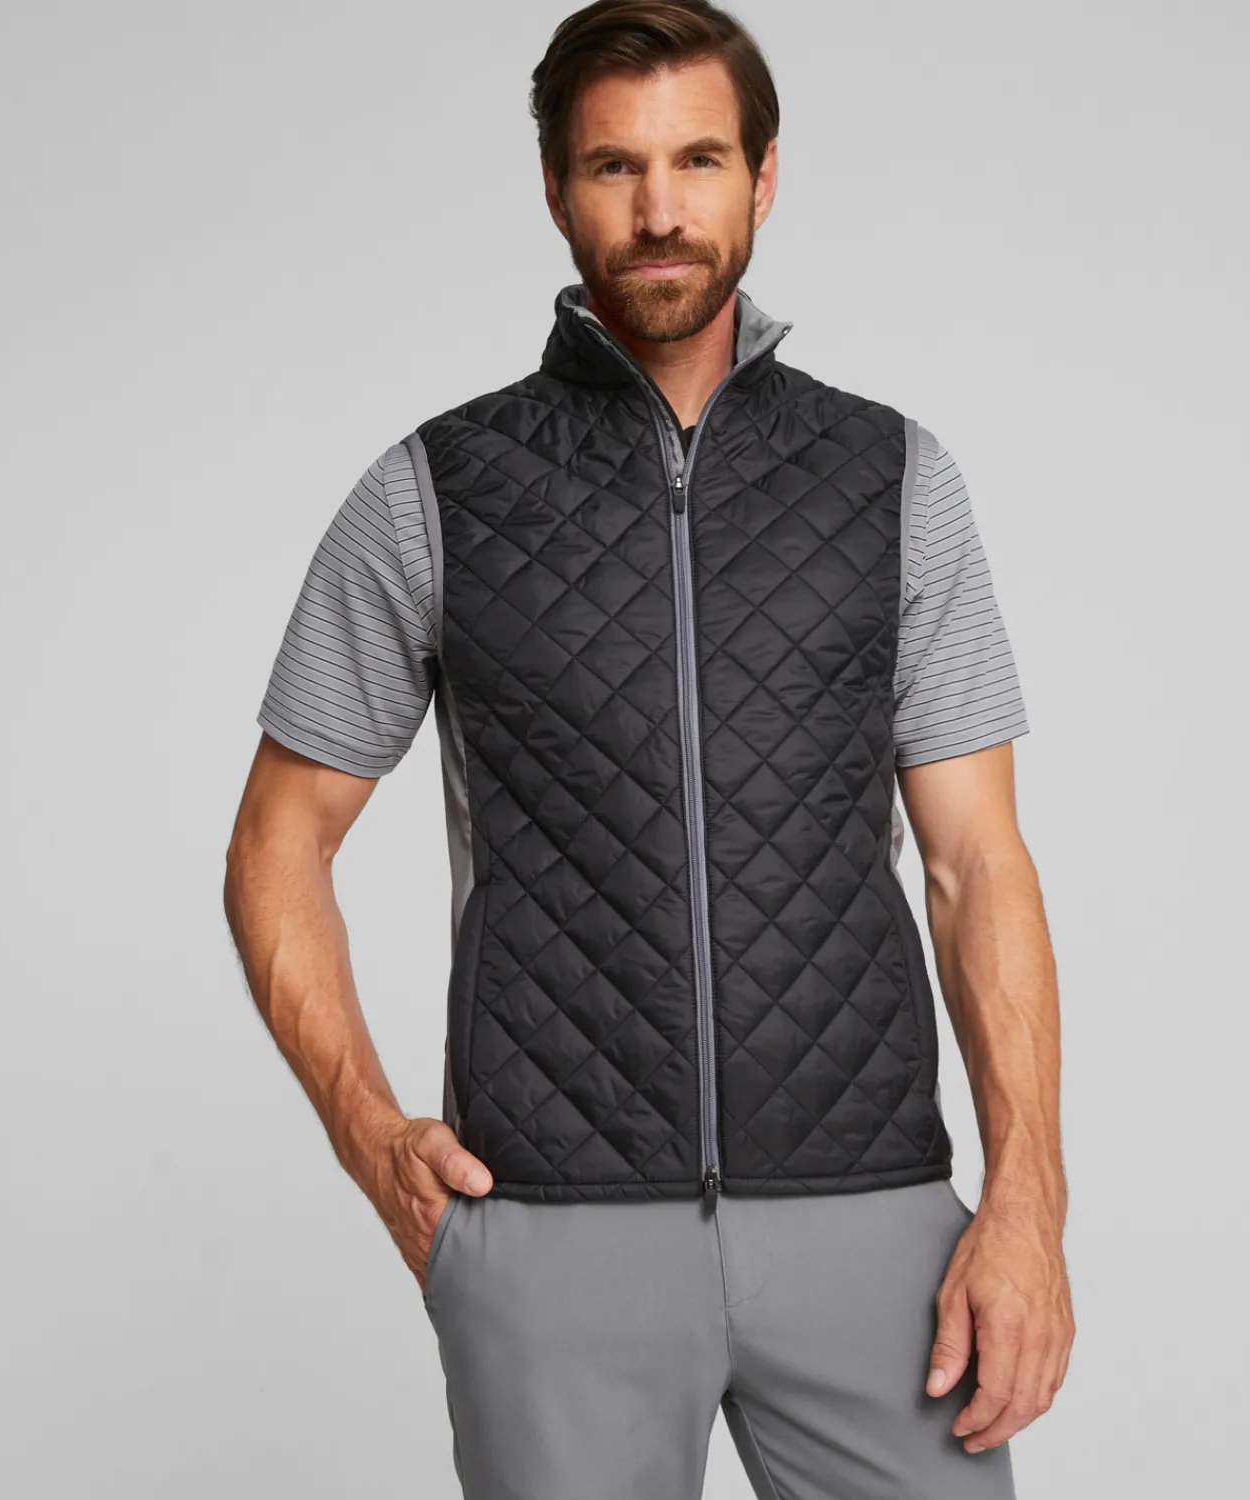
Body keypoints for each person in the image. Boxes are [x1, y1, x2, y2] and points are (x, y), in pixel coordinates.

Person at [223, 2, 1073, 1495]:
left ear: (764, 176)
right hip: (553, 1232)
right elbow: (276, 841)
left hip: (874, 1223)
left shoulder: (893, 480)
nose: (662, 209)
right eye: (615, 166)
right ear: (557, 191)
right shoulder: (433, 492)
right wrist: (372, 1140)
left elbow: (976, 862)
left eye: (700, 159)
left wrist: (1028, 1207)